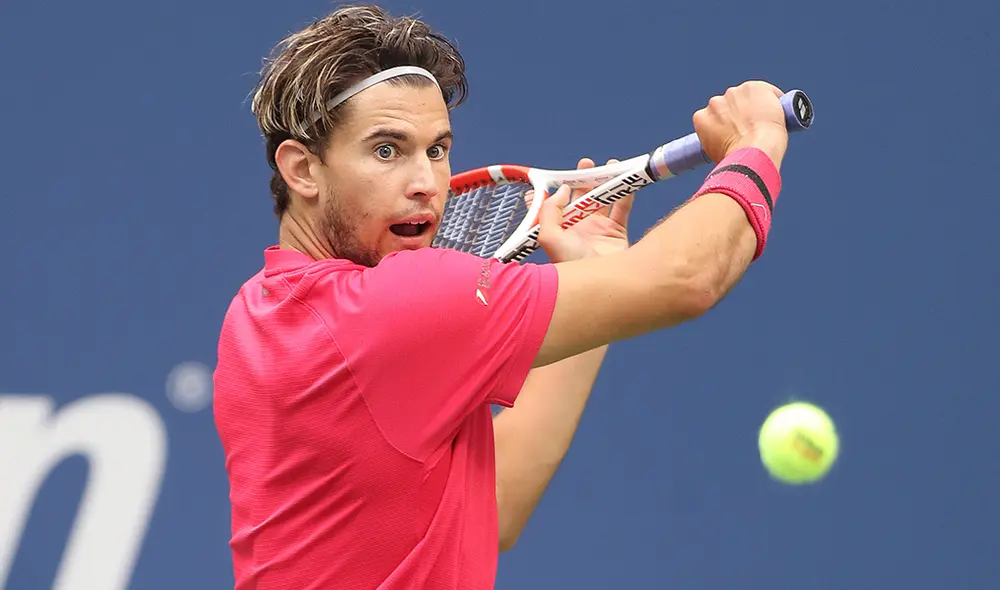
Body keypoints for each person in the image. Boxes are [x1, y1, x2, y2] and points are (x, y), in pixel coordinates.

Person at [212, 4, 793, 589]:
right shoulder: (392, 306)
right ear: (302, 170)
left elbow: (497, 503)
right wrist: (756, 143)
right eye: (386, 150)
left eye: (437, 149)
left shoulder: (257, 312)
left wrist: (593, 274)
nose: (425, 184)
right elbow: (689, 277)